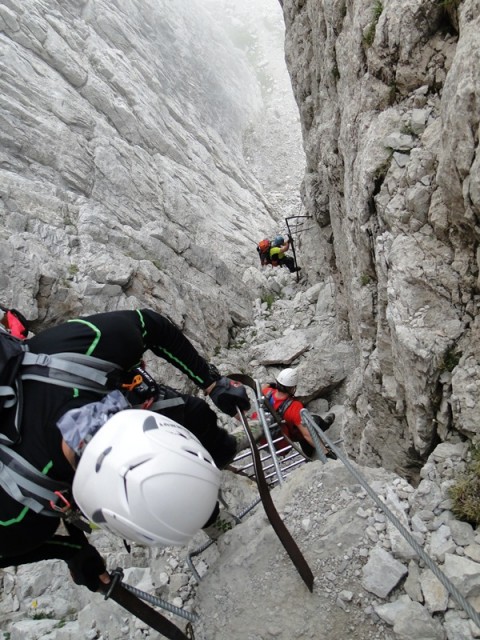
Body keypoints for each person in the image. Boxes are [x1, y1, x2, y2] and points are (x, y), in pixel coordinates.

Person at [0, 308, 251, 592]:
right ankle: (212, 517)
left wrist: (213, 383)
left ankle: (224, 450)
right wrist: (73, 551)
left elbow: (150, 324)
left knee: (195, 414)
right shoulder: (14, 516)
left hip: (99, 392)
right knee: (191, 417)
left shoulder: (84, 347)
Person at [261, 367, 336, 459]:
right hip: (294, 434)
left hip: (280, 432)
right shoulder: (294, 407)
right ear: (292, 388)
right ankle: (325, 425)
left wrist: (270, 384)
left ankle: (310, 459)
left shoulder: (266, 392)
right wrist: (325, 451)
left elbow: (262, 388)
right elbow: (307, 434)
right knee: (315, 420)